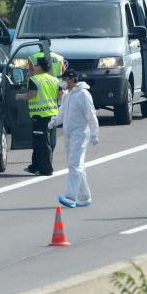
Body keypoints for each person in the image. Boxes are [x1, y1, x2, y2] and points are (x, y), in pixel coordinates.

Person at [49, 70, 99, 208]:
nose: (62, 82)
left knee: (74, 164)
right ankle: (84, 197)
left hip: (81, 133)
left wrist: (95, 133)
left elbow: (91, 114)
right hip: (69, 134)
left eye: (64, 79)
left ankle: (71, 196)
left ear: (71, 79)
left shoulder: (83, 94)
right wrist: (53, 122)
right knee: (77, 166)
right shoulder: (67, 96)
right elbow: (62, 113)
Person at [25, 57, 60, 176]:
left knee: (42, 143)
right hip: (53, 114)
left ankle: (46, 169)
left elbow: (31, 95)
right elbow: (60, 94)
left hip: (40, 116)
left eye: (35, 66)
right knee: (46, 142)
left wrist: (19, 96)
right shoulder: (54, 80)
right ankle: (35, 166)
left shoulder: (34, 80)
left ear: (39, 67)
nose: (34, 68)